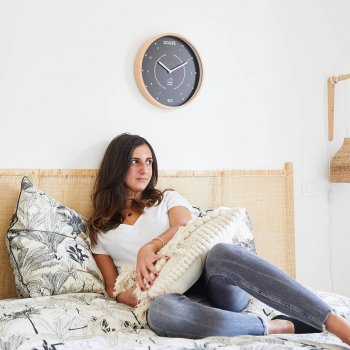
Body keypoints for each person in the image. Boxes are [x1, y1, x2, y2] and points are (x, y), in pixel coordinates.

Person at [88, 132, 350, 344]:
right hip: (167, 295)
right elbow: (112, 287)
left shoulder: (167, 198)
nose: (144, 169)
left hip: (213, 281)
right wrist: (133, 297)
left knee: (223, 252)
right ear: (117, 165)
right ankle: (277, 325)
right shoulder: (100, 229)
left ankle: (331, 320)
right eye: (135, 161)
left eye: (149, 161)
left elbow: (184, 225)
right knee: (160, 313)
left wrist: (150, 246)